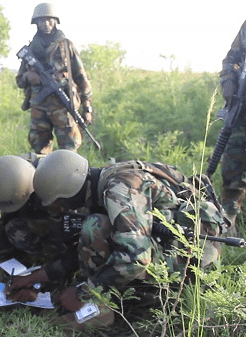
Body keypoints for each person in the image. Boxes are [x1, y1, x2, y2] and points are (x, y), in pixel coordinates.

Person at [28, 150, 227, 330]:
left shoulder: (118, 190)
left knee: (94, 227)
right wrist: (39, 276)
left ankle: (99, 311)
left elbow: (136, 260)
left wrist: (82, 292)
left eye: (60, 201)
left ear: (71, 191)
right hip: (169, 244)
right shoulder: (101, 179)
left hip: (191, 258)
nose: (62, 208)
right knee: (95, 227)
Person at [0, 154, 83, 302]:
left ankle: (43, 264)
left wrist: (38, 283)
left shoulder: (57, 189)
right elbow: (5, 220)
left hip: (71, 236)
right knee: (14, 231)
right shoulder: (13, 176)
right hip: (43, 221)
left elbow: (74, 251)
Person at [16, 3, 93, 155]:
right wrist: (28, 76)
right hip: (39, 108)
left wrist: (87, 107)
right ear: (36, 23)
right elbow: (19, 80)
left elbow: (81, 76)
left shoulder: (66, 45)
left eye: (49, 20)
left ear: (56, 21)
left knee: (69, 152)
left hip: (63, 107)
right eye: (41, 20)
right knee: (39, 150)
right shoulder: (30, 49)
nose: (46, 24)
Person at [219, 19, 246, 235]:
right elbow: (231, 59)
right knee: (232, 168)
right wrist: (229, 82)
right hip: (242, 105)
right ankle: (229, 224)